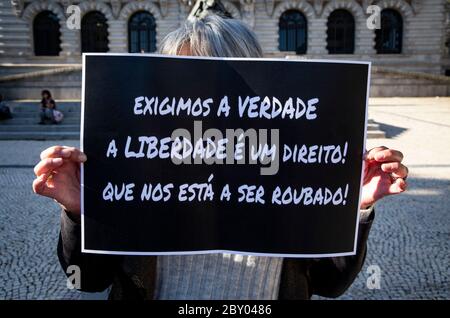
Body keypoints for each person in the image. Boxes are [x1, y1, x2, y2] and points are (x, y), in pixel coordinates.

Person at [32, 12, 408, 300]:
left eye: (221, 82)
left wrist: (353, 209)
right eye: (183, 81)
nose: (202, 101)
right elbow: (88, 279)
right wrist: (82, 213)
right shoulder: (135, 168)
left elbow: (331, 283)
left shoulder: (297, 166)